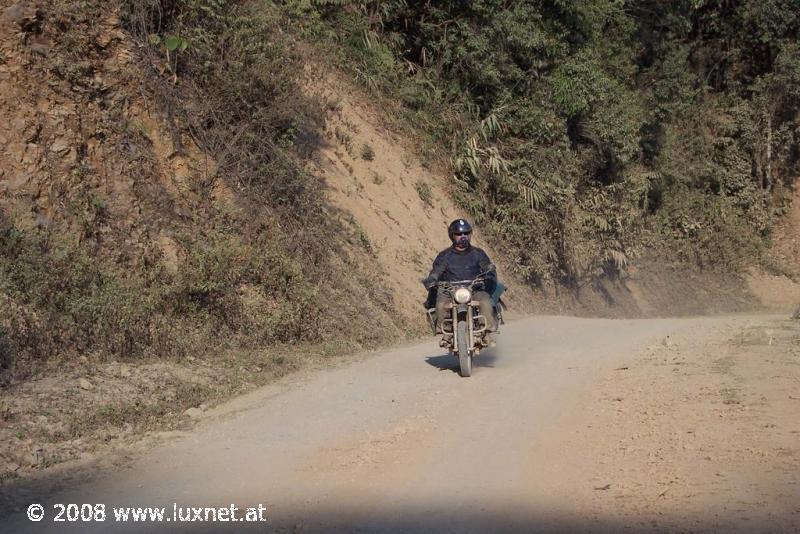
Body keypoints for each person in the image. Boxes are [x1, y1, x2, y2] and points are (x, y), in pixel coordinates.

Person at [422, 219, 498, 342]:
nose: (463, 236)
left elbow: (486, 266)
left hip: (474, 289)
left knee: (485, 302)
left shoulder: (478, 253)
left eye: (466, 233)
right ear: (452, 236)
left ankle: (487, 331)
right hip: (450, 290)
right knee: (441, 304)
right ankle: (445, 333)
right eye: (458, 234)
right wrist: (432, 279)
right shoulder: (444, 256)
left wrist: (488, 272)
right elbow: (436, 271)